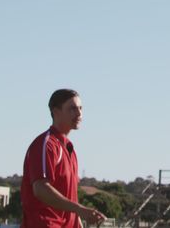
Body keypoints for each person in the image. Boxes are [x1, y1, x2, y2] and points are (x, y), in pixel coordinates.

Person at [21, 89, 107, 228]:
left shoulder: (69, 148)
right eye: (72, 108)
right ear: (56, 112)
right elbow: (40, 188)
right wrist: (80, 209)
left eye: (80, 108)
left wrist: (77, 220)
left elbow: (69, 197)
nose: (79, 113)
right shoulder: (46, 144)